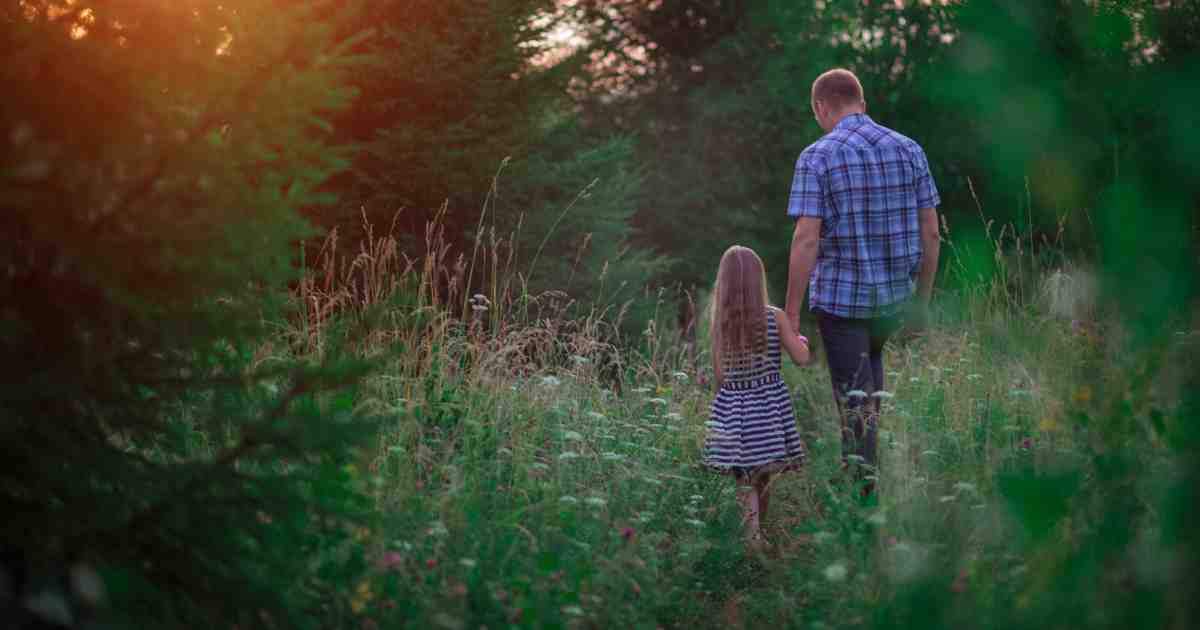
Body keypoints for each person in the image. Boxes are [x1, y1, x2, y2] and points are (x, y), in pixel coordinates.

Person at [783, 68, 941, 499]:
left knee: (855, 395)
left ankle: (860, 493)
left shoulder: (817, 156)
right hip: (893, 300)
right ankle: (861, 474)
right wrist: (921, 303)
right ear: (862, 103)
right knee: (868, 380)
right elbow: (931, 231)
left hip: (842, 303)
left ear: (821, 107)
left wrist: (791, 313)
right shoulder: (909, 149)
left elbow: (806, 237)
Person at [703, 245, 812, 545]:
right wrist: (802, 341)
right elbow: (802, 358)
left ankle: (753, 535)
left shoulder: (720, 326)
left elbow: (720, 376)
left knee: (744, 477)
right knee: (763, 476)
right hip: (767, 411)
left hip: (734, 411)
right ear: (758, 281)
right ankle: (756, 536)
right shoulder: (775, 317)